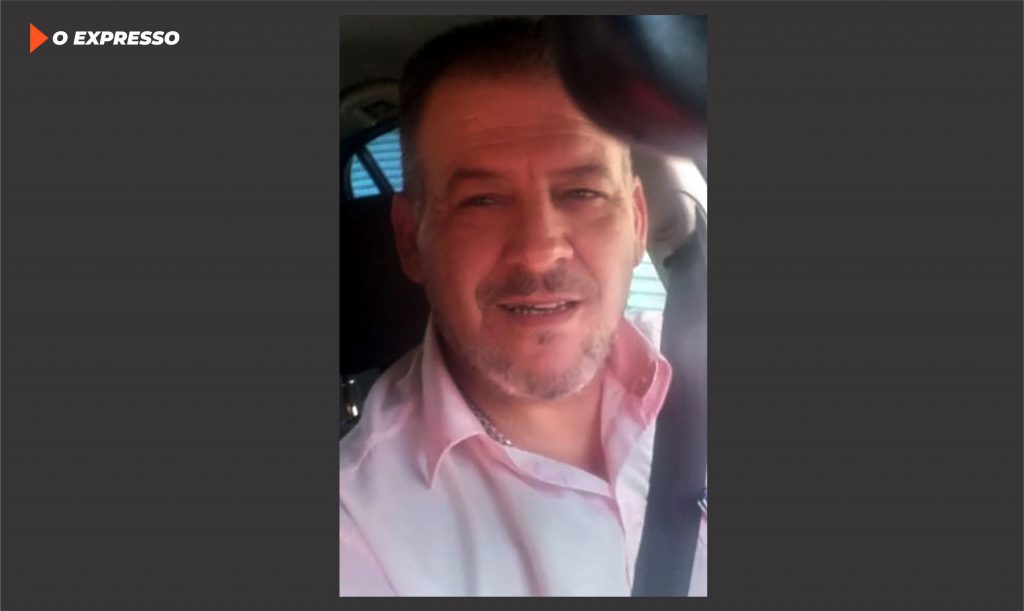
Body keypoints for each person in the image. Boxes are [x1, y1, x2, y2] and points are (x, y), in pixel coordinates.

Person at [339, 17, 706, 596]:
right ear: (411, 239)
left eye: (582, 192)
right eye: (481, 200)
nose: (539, 251)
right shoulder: (356, 530)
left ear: (637, 222)